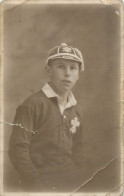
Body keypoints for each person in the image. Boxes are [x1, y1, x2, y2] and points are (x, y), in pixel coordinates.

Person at [8, 43, 86, 192]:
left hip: (71, 183)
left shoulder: (76, 110)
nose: (67, 73)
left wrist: (79, 180)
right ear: (48, 70)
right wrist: (36, 185)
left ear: (78, 75)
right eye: (61, 67)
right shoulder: (32, 105)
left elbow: (78, 150)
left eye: (73, 68)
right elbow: (18, 150)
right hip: (40, 184)